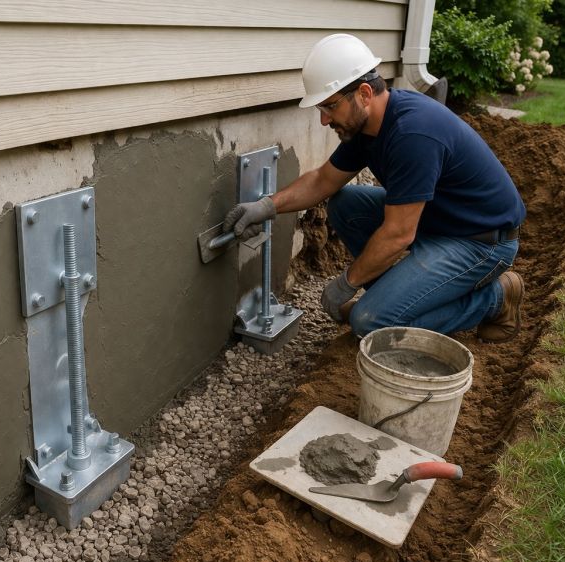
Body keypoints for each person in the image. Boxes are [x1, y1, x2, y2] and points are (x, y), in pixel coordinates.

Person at [223, 34, 526, 343]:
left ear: (364, 93)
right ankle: (392, 301)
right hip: (440, 220)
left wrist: (346, 283)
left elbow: (398, 234)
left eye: (329, 106)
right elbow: (323, 180)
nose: (324, 120)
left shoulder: (413, 135)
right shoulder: (369, 127)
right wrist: (266, 206)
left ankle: (497, 298)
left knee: (368, 322)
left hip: (480, 242)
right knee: (345, 203)